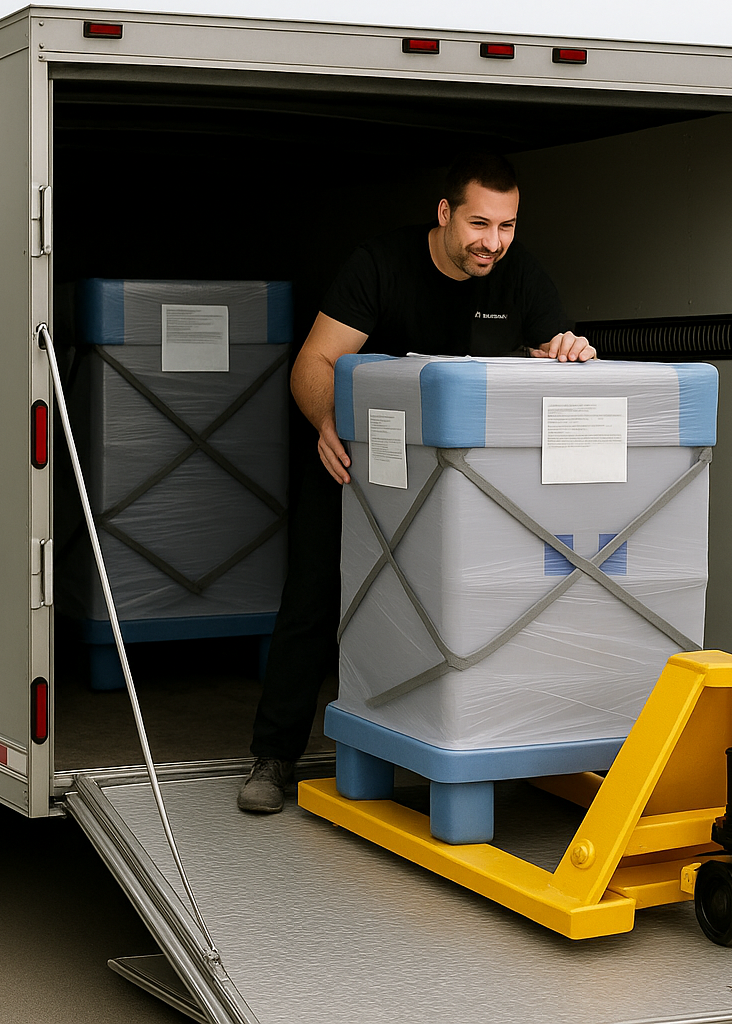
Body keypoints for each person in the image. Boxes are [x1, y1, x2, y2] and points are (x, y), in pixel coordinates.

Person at [239, 153, 596, 812]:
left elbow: (551, 371)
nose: (493, 242)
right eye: (480, 224)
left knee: (480, 601)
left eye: (507, 226)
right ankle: (274, 756)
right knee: (317, 597)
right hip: (355, 461)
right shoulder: (381, 265)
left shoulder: (522, 279)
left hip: (468, 484)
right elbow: (315, 360)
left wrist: (572, 354)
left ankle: (491, 739)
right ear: (444, 213)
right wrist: (325, 419)